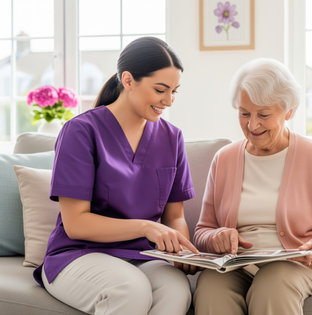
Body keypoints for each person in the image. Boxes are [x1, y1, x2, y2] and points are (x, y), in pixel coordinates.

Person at [33, 37, 199, 315]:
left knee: (176, 289)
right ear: (128, 80)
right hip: (79, 253)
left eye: (174, 91)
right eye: (160, 89)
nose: (168, 101)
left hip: (144, 255)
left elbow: (175, 217)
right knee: (129, 289)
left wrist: (180, 248)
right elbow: (76, 224)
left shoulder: (172, 137)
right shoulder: (81, 131)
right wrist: (146, 228)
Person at [193, 58, 312, 315]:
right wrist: (216, 238)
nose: (252, 125)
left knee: (273, 282)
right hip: (237, 267)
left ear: (288, 111)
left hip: (297, 265)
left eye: (264, 114)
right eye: (244, 113)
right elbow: (203, 231)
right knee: (211, 285)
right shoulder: (224, 159)